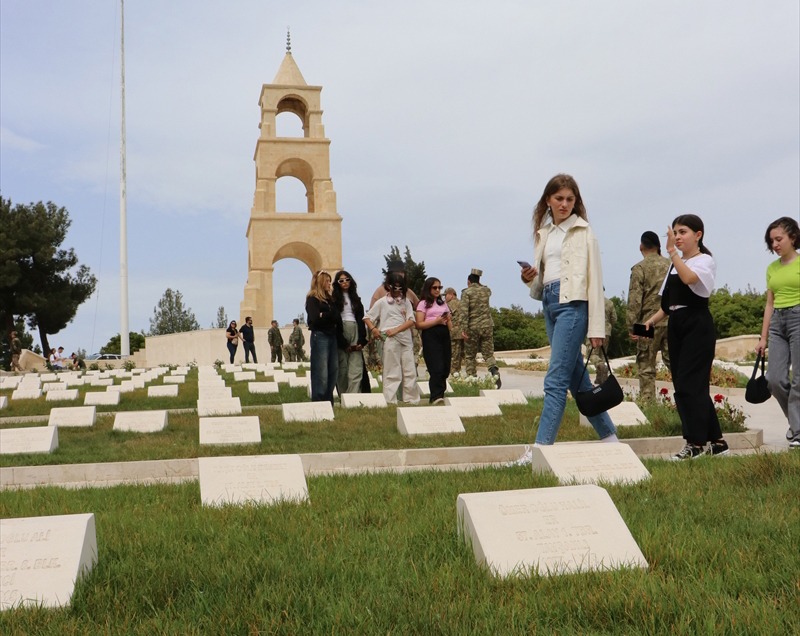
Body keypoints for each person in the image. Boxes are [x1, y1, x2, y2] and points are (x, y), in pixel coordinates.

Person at [519, 174, 618, 456]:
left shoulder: (585, 231)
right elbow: (543, 280)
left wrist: (596, 326)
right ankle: (611, 442)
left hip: (574, 306)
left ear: (576, 202)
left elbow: (595, 280)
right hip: (549, 304)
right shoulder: (544, 233)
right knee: (577, 380)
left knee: (555, 380)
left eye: (570, 199)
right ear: (548, 201)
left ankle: (540, 450)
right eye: (559, 199)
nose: (564, 204)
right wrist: (529, 278)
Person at [644, 214, 729, 460]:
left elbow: (690, 280)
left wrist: (672, 253)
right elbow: (668, 304)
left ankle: (695, 443)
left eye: (683, 232)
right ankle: (718, 442)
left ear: (698, 235)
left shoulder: (704, 261)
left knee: (689, 386)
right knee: (685, 384)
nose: (678, 237)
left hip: (697, 324)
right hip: (676, 323)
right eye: (676, 233)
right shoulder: (676, 263)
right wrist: (648, 323)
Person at [755, 217, 800, 450]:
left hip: (798, 319)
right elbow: (769, 304)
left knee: (799, 379)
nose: (775, 244)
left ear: (793, 237)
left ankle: (798, 430)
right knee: (775, 379)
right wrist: (763, 338)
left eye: (779, 239)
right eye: (771, 241)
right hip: (777, 324)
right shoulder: (772, 268)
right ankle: (797, 424)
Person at [627, 231, 672, 400]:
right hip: (671, 320)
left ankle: (648, 405)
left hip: (648, 323)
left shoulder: (640, 268)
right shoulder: (671, 265)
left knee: (646, 366)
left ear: (641, 247)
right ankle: (688, 402)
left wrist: (632, 327)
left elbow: (634, 301)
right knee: (674, 364)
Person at [364, 272, 420, 405]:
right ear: (389, 287)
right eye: (395, 288)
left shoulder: (406, 301)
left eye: (401, 288)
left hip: (405, 339)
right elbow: (367, 317)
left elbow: (411, 321)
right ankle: (390, 399)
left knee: (409, 369)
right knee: (391, 370)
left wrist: (395, 330)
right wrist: (374, 329)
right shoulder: (382, 302)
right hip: (390, 340)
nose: (398, 291)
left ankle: (411, 399)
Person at [460, 269, 501, 387]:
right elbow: (483, 288)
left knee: (470, 355)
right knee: (488, 353)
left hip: (473, 327)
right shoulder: (486, 291)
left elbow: (464, 312)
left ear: (468, 282)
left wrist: (463, 328)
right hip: (487, 325)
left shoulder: (466, 293)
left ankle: (472, 379)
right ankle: (494, 371)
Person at [306, 270, 341, 404]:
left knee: (333, 370)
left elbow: (337, 317)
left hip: (332, 336)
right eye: (327, 281)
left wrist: (324, 315)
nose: (329, 283)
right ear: (321, 282)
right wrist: (328, 316)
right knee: (321, 372)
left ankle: (329, 400)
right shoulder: (312, 299)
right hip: (320, 336)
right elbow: (315, 319)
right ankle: (319, 401)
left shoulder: (330, 299)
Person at [415, 277, 452, 404]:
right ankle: (436, 396)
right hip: (431, 333)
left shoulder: (443, 303)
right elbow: (419, 324)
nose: (437, 290)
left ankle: (441, 393)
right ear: (428, 288)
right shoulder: (423, 303)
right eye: (434, 287)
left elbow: (449, 325)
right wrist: (436, 321)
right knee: (436, 366)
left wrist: (448, 319)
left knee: (445, 366)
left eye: (439, 288)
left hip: (444, 333)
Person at [333, 270, 366, 394]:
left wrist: (362, 339)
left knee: (356, 365)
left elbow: (361, 318)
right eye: (341, 280)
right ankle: (344, 395)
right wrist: (342, 341)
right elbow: (335, 320)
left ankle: (354, 395)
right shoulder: (334, 299)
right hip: (342, 329)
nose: (345, 282)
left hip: (355, 327)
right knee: (342, 367)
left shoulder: (356, 298)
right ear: (337, 283)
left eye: (347, 280)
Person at [587, 296, 616, 384]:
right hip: (606, 331)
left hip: (593, 330)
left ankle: (600, 365)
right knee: (602, 354)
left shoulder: (591, 301)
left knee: (591, 354)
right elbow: (614, 318)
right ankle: (600, 378)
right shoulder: (609, 303)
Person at [444, 287, 465, 374]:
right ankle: (457, 371)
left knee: (453, 354)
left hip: (453, 332)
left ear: (451, 295)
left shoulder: (450, 304)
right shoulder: (462, 303)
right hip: (462, 332)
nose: (445, 298)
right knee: (460, 353)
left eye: (446, 295)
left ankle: (453, 372)